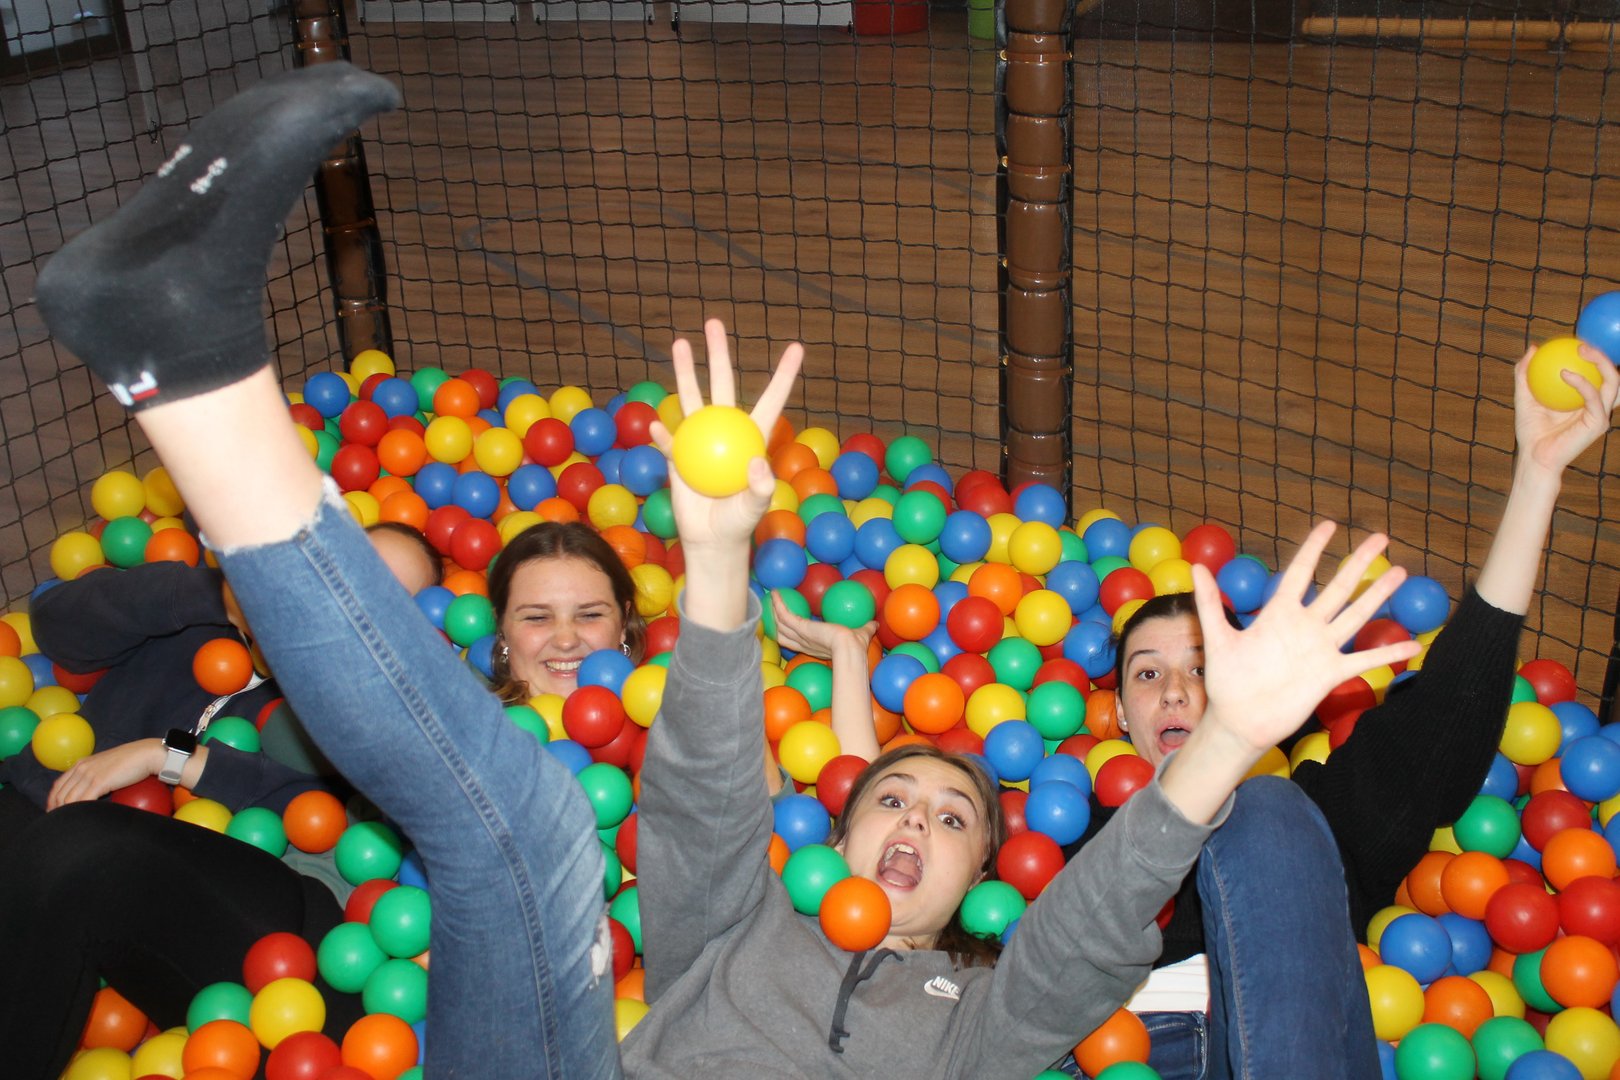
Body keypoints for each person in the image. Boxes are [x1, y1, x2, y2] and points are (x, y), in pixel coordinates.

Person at [30, 61, 1420, 1078]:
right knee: (531, 830)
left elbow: (1103, 919)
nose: (917, 820)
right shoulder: (731, 932)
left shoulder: (988, 1030)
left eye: (952, 817)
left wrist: (1229, 739)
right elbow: (700, 796)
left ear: (988, 888)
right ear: (837, 828)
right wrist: (711, 560)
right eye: (895, 794)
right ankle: (190, 369)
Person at [1068, 348, 1620, 1078]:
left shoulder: (1312, 819)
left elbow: (1442, 722)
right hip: (1108, 1052)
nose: (1174, 690)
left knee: (1266, 811)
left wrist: (1537, 477)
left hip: (1295, 1047)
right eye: (1148, 674)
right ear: (1117, 713)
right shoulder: (1068, 834)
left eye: (1203, 668)